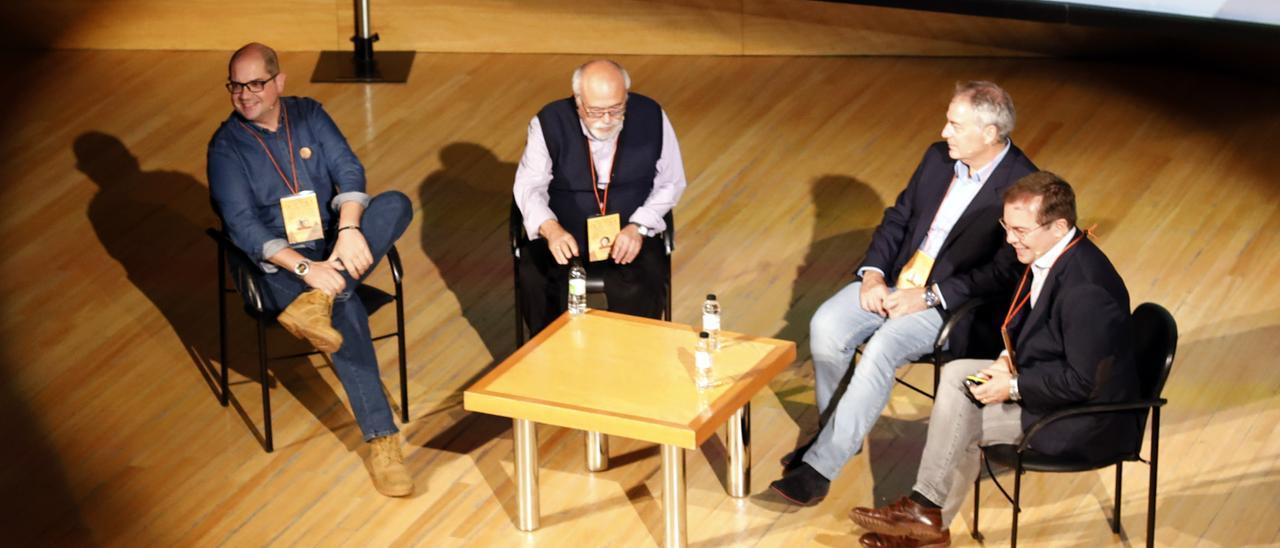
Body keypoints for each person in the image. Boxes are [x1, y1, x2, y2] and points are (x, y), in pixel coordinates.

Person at [770, 81, 1038, 505]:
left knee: (882, 347)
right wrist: (874, 274)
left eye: (954, 124)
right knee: (826, 325)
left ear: (989, 133)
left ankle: (820, 466)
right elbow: (898, 218)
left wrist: (929, 297)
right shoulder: (937, 157)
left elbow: (1000, 273)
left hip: (954, 305)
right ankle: (841, 433)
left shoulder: (1022, 184)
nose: (944, 131)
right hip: (896, 281)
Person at [848, 172, 1139, 547]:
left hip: (1085, 420)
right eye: (1007, 226)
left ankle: (926, 519)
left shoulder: (1086, 289)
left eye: (1020, 230)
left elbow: (1083, 383)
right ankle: (927, 518)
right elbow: (1026, 320)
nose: (1009, 238)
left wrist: (1013, 386)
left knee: (961, 420)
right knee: (956, 375)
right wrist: (1005, 359)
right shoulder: (1050, 254)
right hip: (1044, 377)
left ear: (1059, 225)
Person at [207, 43, 414, 497]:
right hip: (279, 266)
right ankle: (382, 440)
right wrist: (306, 268)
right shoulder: (226, 147)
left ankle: (318, 301)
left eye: (256, 84)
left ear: (279, 82)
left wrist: (349, 229)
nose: (245, 94)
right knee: (347, 307)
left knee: (395, 202)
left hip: (332, 241)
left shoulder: (309, 114)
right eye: (236, 86)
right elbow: (242, 226)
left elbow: (348, 168)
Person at [513, 59, 687, 333]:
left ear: (626, 97)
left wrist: (639, 227)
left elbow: (671, 182)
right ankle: (550, 360)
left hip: (629, 233)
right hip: (564, 233)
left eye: (616, 109)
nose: (607, 119)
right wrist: (551, 229)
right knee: (536, 278)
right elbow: (528, 186)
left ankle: (630, 360)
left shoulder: (652, 116)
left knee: (645, 279)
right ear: (578, 101)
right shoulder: (548, 122)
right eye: (595, 111)